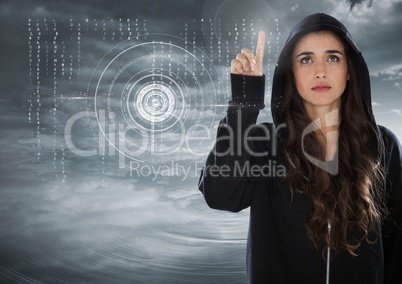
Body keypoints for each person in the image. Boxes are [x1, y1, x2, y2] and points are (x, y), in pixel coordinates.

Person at [198, 13, 402, 284]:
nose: (320, 71)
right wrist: (244, 104)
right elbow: (219, 195)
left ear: (351, 69)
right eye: (306, 59)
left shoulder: (383, 145)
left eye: (333, 57)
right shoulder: (262, 142)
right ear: (290, 74)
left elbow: (397, 247)